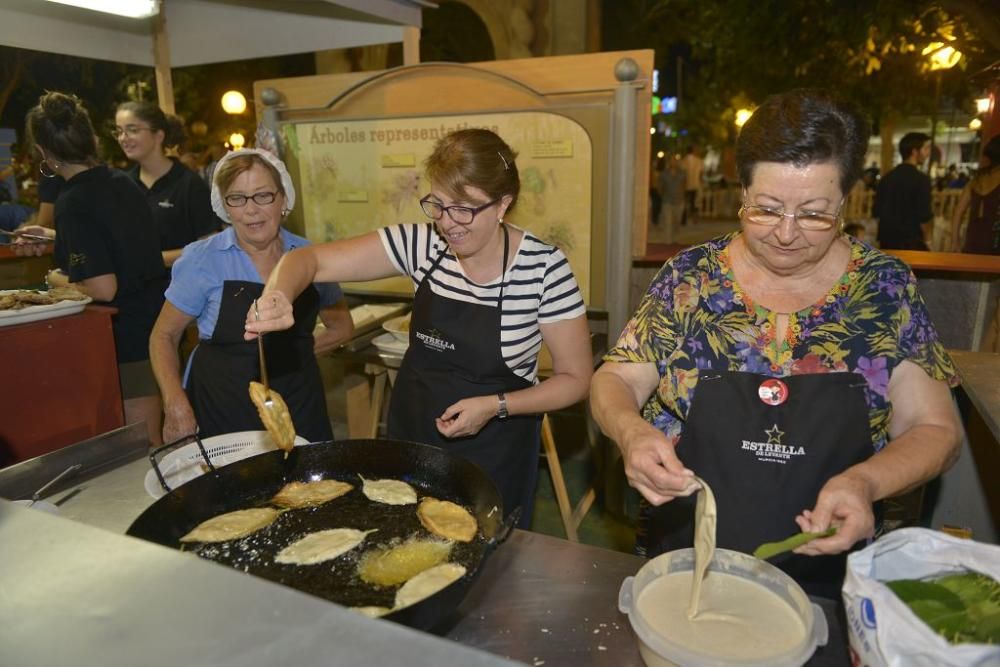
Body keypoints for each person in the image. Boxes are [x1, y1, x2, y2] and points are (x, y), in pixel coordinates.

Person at [590, 89, 961, 597]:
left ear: (847, 201)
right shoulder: (692, 278)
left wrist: (866, 483)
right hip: (687, 554)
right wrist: (630, 432)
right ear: (741, 190)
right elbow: (615, 378)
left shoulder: (885, 288)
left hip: (833, 565)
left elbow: (935, 428)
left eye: (813, 214)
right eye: (765, 209)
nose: (786, 234)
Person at [248, 129, 593, 526]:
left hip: (497, 448)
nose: (449, 224)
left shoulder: (544, 269)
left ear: (503, 204)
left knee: (490, 558)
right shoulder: (421, 245)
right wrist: (277, 295)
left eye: (464, 209)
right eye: (439, 206)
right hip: (414, 439)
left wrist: (496, 406)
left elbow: (575, 378)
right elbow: (308, 261)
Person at [149, 148, 354, 445]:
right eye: (237, 198)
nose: (251, 209)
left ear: (283, 199)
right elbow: (163, 337)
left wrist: (292, 356)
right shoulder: (203, 260)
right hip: (223, 404)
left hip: (300, 401)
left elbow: (341, 328)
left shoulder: (309, 257)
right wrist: (175, 402)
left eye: (263, 195)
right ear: (225, 205)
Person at [22, 91, 168, 444]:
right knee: (156, 451)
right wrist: (59, 239)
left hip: (124, 345)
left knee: (142, 457)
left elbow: (103, 288)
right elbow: (118, 245)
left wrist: (54, 277)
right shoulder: (123, 182)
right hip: (155, 331)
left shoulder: (73, 201)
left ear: (44, 151)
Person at [114, 101, 223, 267]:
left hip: (183, 286)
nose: (123, 138)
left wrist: (156, 259)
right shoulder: (123, 185)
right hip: (133, 289)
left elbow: (209, 245)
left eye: (132, 130)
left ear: (159, 135)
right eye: (119, 131)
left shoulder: (189, 184)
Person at [874, 132, 933, 250]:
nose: (928, 153)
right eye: (926, 148)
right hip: (912, 243)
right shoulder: (921, 179)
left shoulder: (887, 178)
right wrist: (929, 241)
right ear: (914, 152)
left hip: (887, 242)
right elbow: (924, 216)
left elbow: (877, 212)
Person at [949, 135, 1000, 254]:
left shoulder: (976, 180)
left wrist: (955, 242)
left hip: (973, 240)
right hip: (995, 244)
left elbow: (958, 212)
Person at [657, 155, 686, 231]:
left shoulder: (682, 173)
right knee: (667, 222)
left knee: (677, 222)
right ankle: (668, 241)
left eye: (674, 161)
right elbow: (660, 186)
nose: (673, 162)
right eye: (671, 161)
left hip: (679, 200)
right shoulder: (664, 174)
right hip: (667, 201)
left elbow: (684, 185)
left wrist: (683, 196)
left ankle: (675, 239)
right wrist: (662, 195)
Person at [680, 144, 703, 226]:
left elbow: (682, 175)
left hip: (686, 185)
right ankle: (694, 218)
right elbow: (701, 174)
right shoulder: (699, 161)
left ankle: (683, 219)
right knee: (694, 202)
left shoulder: (683, 161)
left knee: (685, 202)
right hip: (695, 184)